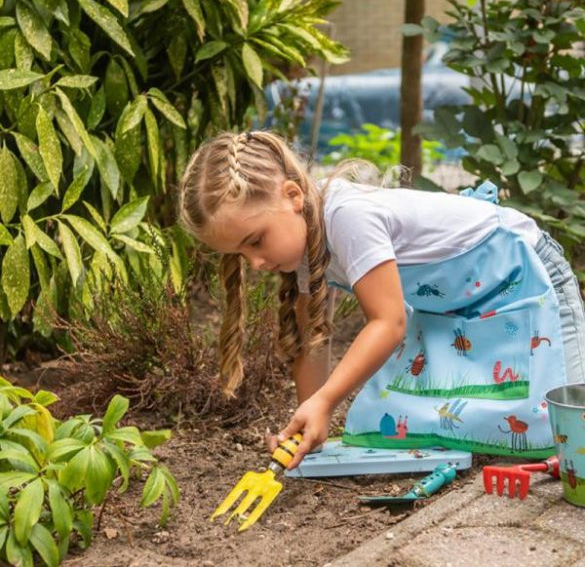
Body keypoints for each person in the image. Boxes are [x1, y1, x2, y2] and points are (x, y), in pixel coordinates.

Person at [179, 130, 585, 469]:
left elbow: (388, 323)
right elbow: (311, 342)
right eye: (241, 254)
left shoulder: (348, 217)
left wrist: (326, 401)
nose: (255, 262)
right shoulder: (302, 250)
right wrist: (310, 423)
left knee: (570, 420)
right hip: (465, 303)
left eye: (256, 241)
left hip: (525, 272)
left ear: (292, 196)